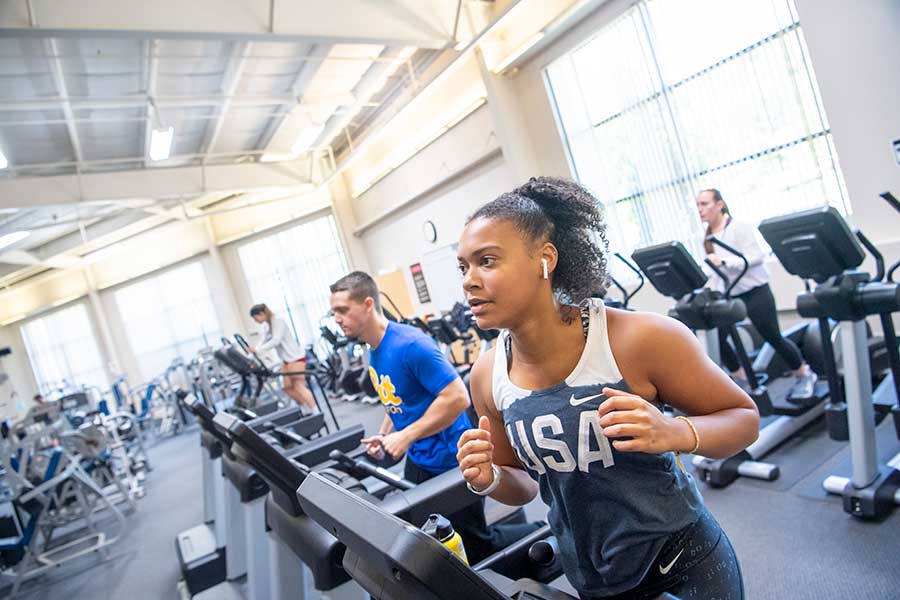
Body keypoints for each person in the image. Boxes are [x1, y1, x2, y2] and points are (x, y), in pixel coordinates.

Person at [456, 177, 759, 600]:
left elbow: (744, 419)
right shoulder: (486, 373)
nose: (469, 280)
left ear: (545, 259)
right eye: (463, 266)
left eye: (486, 261)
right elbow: (522, 484)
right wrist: (488, 478)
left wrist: (675, 433)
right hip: (594, 579)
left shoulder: (640, 339)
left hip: (682, 565)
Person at [328, 271, 540, 563]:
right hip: (419, 460)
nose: (337, 318)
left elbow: (457, 397)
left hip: (452, 461)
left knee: (473, 547)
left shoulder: (410, 345)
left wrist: (407, 434)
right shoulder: (374, 349)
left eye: (342, 310)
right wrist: (388, 434)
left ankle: (543, 536)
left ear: (367, 304)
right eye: (334, 312)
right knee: (430, 538)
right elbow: (398, 401)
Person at [697, 188, 818, 400]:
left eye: (704, 204)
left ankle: (804, 373)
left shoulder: (738, 227)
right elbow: (712, 272)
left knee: (772, 336)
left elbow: (756, 257)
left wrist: (725, 262)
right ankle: (742, 379)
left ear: (719, 204)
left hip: (756, 292)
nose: (700, 209)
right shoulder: (706, 237)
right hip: (729, 295)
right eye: (698, 205)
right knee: (718, 338)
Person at [247, 303, 316, 412]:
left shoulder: (278, 321)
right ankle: (305, 409)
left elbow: (276, 340)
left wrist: (258, 350)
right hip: (286, 361)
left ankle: (315, 410)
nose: (256, 321)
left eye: (256, 318)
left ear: (261, 314)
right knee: (287, 388)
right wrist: (251, 354)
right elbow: (262, 342)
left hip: (295, 358)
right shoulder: (266, 325)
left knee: (298, 386)